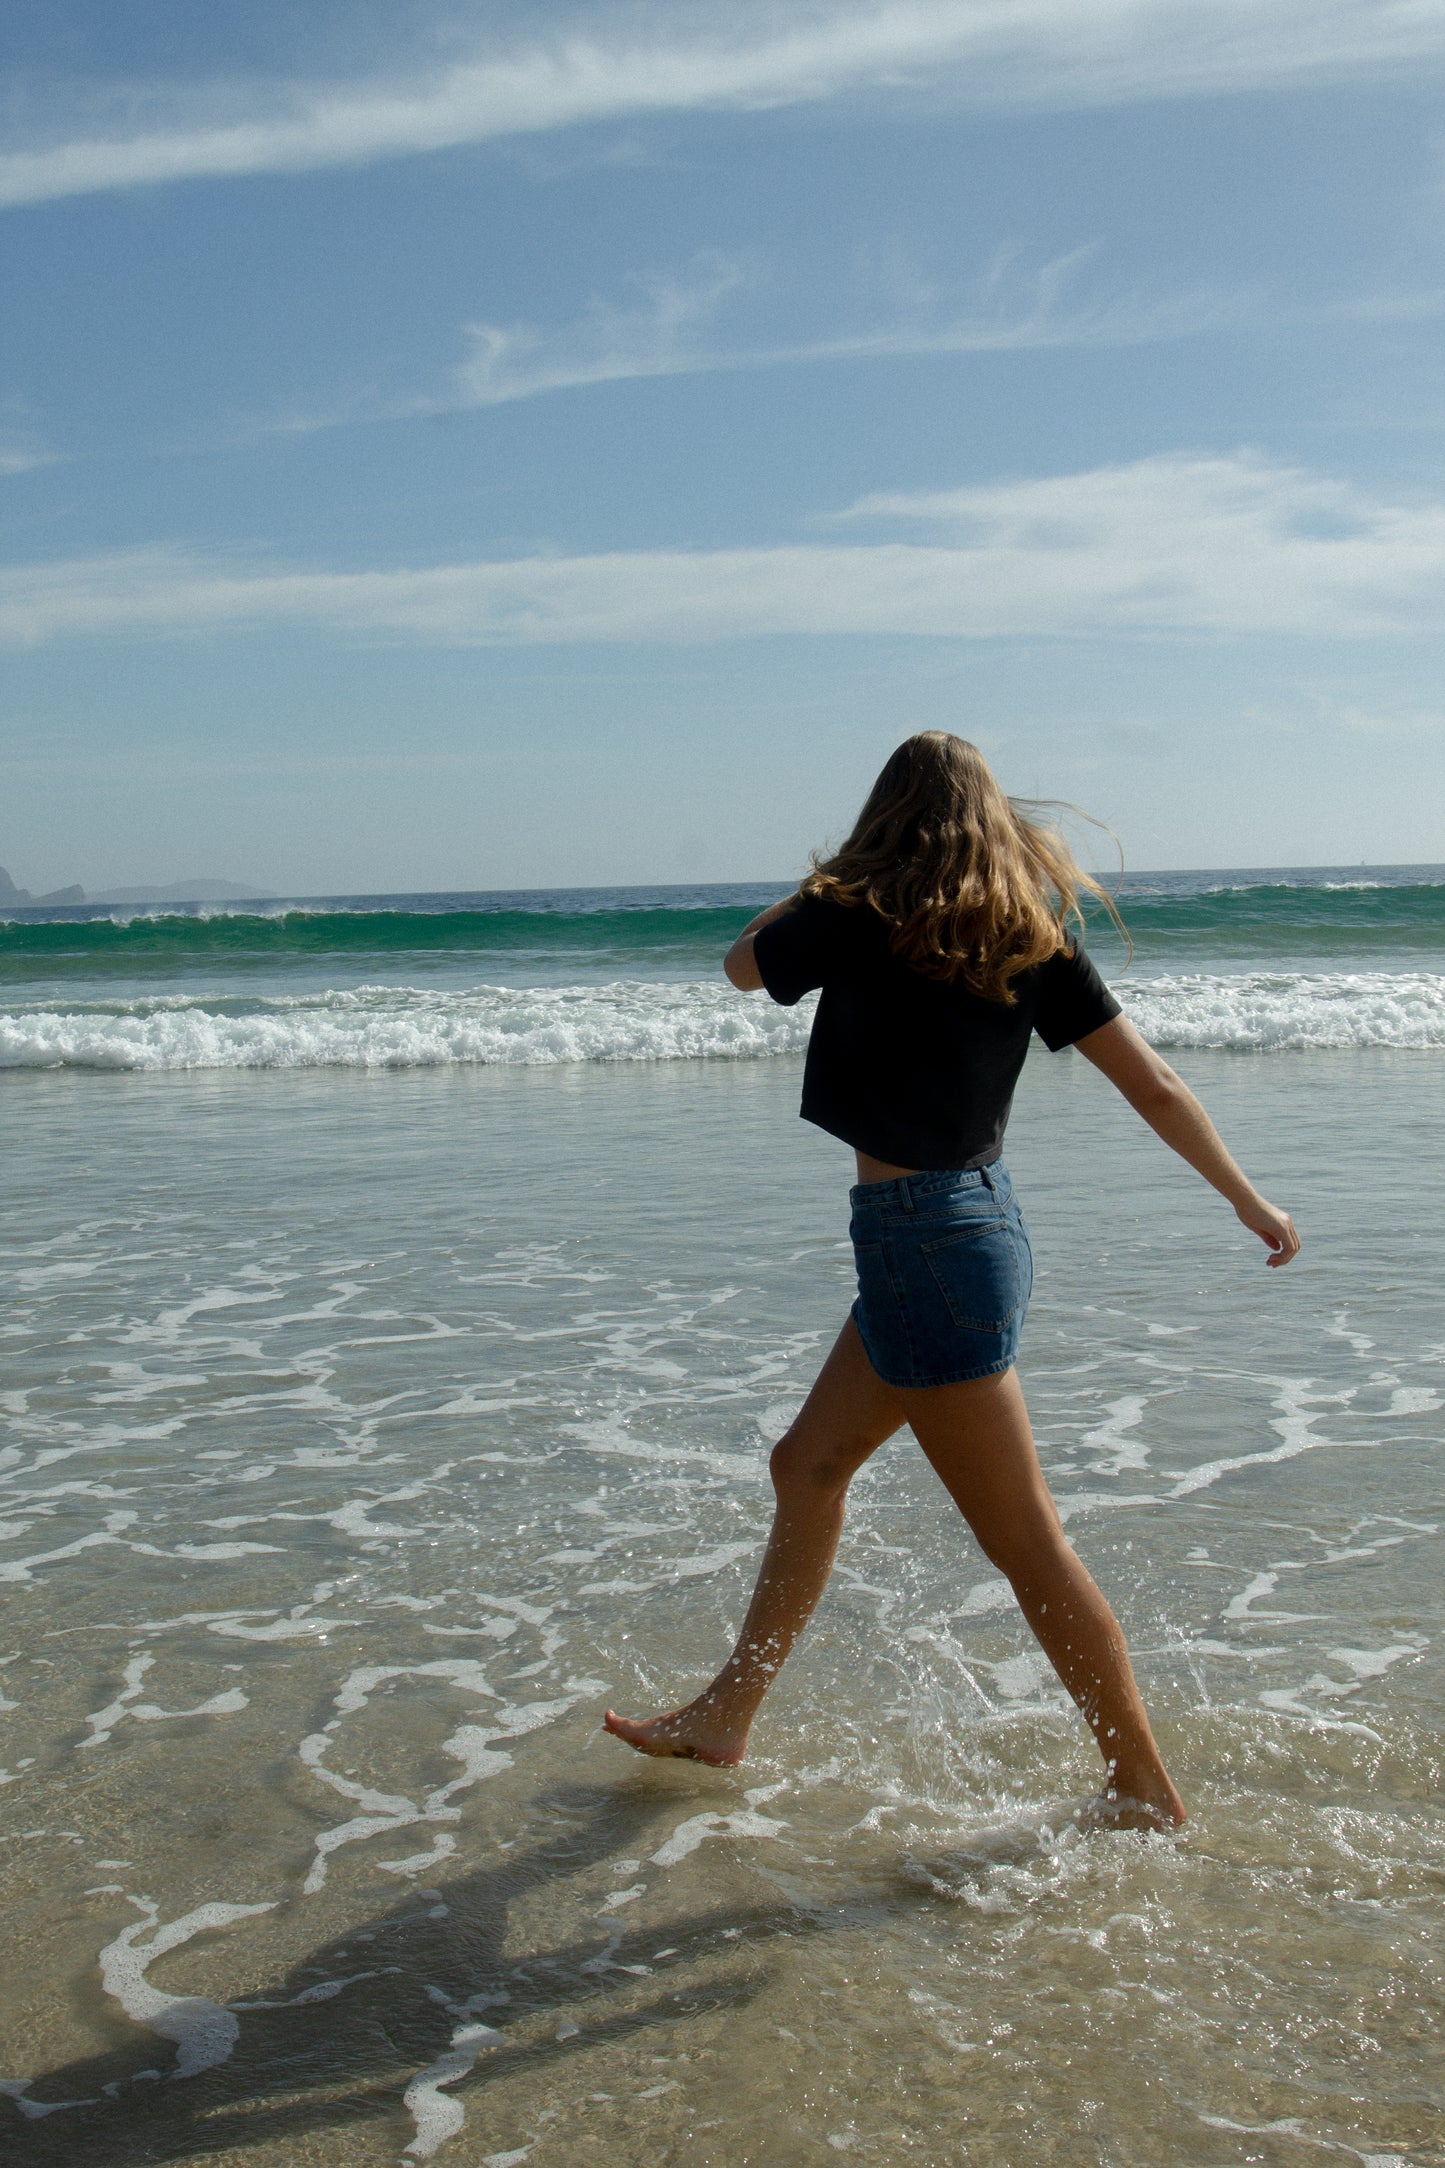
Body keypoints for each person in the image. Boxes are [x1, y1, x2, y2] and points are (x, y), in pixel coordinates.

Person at [604, 734, 1299, 1827]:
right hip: (968, 1227)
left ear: (885, 815)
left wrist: (823, 878)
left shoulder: (855, 908)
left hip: (923, 1245)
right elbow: (1153, 1083)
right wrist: (1246, 1198)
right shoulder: (1026, 933)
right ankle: (728, 1710)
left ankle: (1139, 1784)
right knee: (807, 1463)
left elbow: (740, 965)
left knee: (1025, 1542)